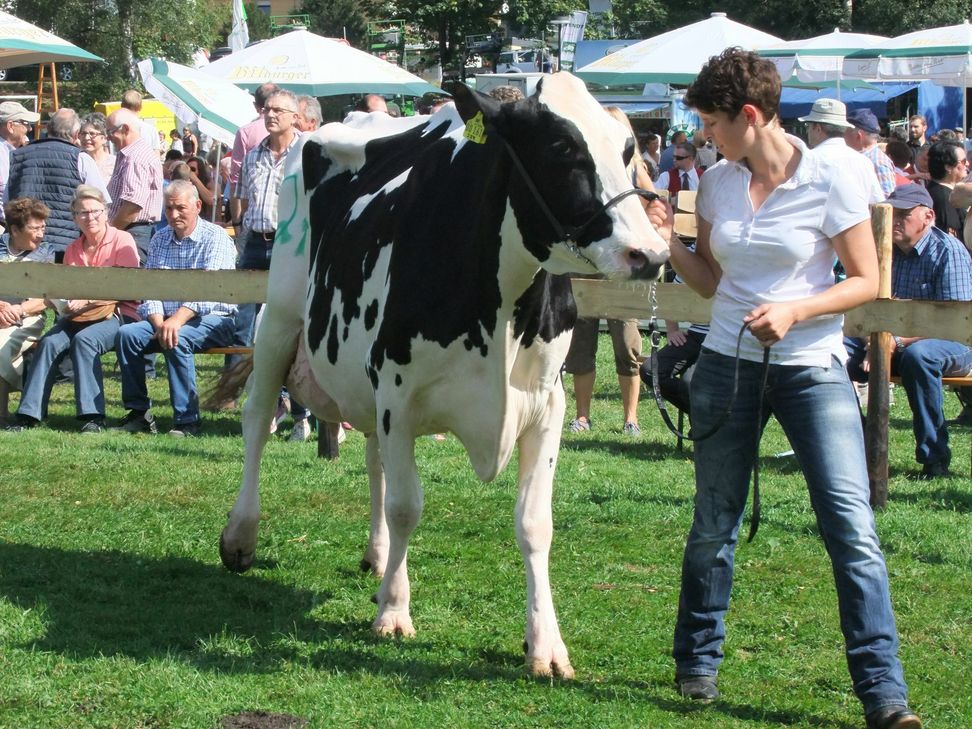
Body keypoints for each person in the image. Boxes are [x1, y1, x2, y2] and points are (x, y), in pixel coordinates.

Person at [649, 48, 920, 729]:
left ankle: (885, 694)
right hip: (726, 365)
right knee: (714, 520)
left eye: (712, 122)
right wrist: (669, 247)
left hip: (813, 369)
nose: (704, 136)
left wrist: (798, 310)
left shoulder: (830, 177)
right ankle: (696, 662)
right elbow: (712, 280)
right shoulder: (715, 184)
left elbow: (864, 279)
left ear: (749, 115)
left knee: (851, 528)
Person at [845, 184, 972, 478]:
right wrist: (871, 340)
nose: (894, 221)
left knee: (920, 357)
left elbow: (952, 322)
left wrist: (893, 341)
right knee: (832, 351)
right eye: (891, 214)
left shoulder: (947, 251)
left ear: (927, 216)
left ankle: (934, 458)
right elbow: (863, 306)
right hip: (883, 340)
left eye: (903, 214)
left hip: (953, 343)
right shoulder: (881, 249)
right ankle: (861, 443)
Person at [9, 187, 140, 433]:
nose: (90, 218)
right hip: (78, 316)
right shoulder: (73, 249)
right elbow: (68, 290)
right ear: (75, 218)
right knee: (49, 343)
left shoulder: (122, 240)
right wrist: (67, 301)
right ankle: (29, 414)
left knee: (84, 341)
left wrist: (89, 297)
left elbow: (128, 287)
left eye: (95, 211)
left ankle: (93, 416)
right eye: (83, 213)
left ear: (105, 212)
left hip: (120, 313)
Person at [113, 181, 237, 437]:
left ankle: (187, 421)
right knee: (127, 335)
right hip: (167, 319)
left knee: (176, 340)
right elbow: (151, 289)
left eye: (180, 208)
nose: (173, 214)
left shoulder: (216, 238)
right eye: (168, 208)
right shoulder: (160, 238)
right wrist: (160, 324)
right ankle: (139, 413)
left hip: (215, 319)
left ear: (197, 206)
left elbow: (209, 290)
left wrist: (176, 322)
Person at [564, 106, 650, 438]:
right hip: (588, 263)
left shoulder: (636, 169)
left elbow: (652, 202)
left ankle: (631, 418)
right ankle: (582, 415)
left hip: (624, 266)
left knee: (627, 342)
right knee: (581, 341)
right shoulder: (590, 164)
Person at [231, 89, 312, 441]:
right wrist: (241, 237)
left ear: (296, 116)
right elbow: (243, 202)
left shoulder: (308, 153)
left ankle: (303, 414)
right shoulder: (252, 155)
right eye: (266, 109)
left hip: (290, 248)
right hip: (255, 245)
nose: (270, 114)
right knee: (247, 329)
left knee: (292, 329)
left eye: (278, 110)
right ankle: (274, 403)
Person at [5, 108, 111, 256]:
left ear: (48, 128)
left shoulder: (16, 156)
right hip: (65, 246)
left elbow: (6, 202)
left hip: (22, 243)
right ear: (76, 134)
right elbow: (100, 203)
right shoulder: (81, 158)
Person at [0, 198, 53, 421]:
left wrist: (18, 310)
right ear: (14, 229)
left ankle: (1, 414)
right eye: (34, 228)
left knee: (1, 345)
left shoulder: (46, 253)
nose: (41, 234)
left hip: (27, 317)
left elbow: (48, 298)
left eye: (43, 227)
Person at [106, 108, 164, 263]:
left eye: (110, 132)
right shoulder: (132, 154)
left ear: (125, 129)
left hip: (133, 233)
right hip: (132, 231)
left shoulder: (135, 157)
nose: (108, 137)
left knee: (129, 282)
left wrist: (109, 233)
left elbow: (132, 206)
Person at [800, 98, 884, 204]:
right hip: (860, 220)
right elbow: (878, 203)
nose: (807, 131)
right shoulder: (864, 162)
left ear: (817, 128)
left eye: (808, 126)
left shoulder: (808, 160)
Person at [228, 82, 280, 235]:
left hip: (252, 222)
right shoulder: (295, 133)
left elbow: (236, 182)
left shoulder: (245, 132)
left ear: (255, 105)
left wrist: (237, 222)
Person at [0, 101, 39, 228]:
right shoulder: (2, 154)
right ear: (10, 126)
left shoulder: (13, 151)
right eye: (25, 124)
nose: (30, 129)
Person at [844, 109, 896, 198]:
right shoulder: (859, 157)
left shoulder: (878, 161)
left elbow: (887, 200)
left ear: (858, 135)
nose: (843, 136)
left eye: (846, 131)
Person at [925, 140, 967, 239]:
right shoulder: (944, 199)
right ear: (948, 167)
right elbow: (951, 239)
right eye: (963, 161)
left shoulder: (939, 190)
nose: (968, 164)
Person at [120, 90, 161, 155]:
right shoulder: (151, 129)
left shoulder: (118, 130)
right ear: (140, 107)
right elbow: (156, 156)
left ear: (122, 106)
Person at [79, 113, 116, 185]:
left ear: (105, 138)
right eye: (83, 133)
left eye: (92, 134)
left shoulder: (114, 164)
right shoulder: (77, 162)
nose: (86, 138)